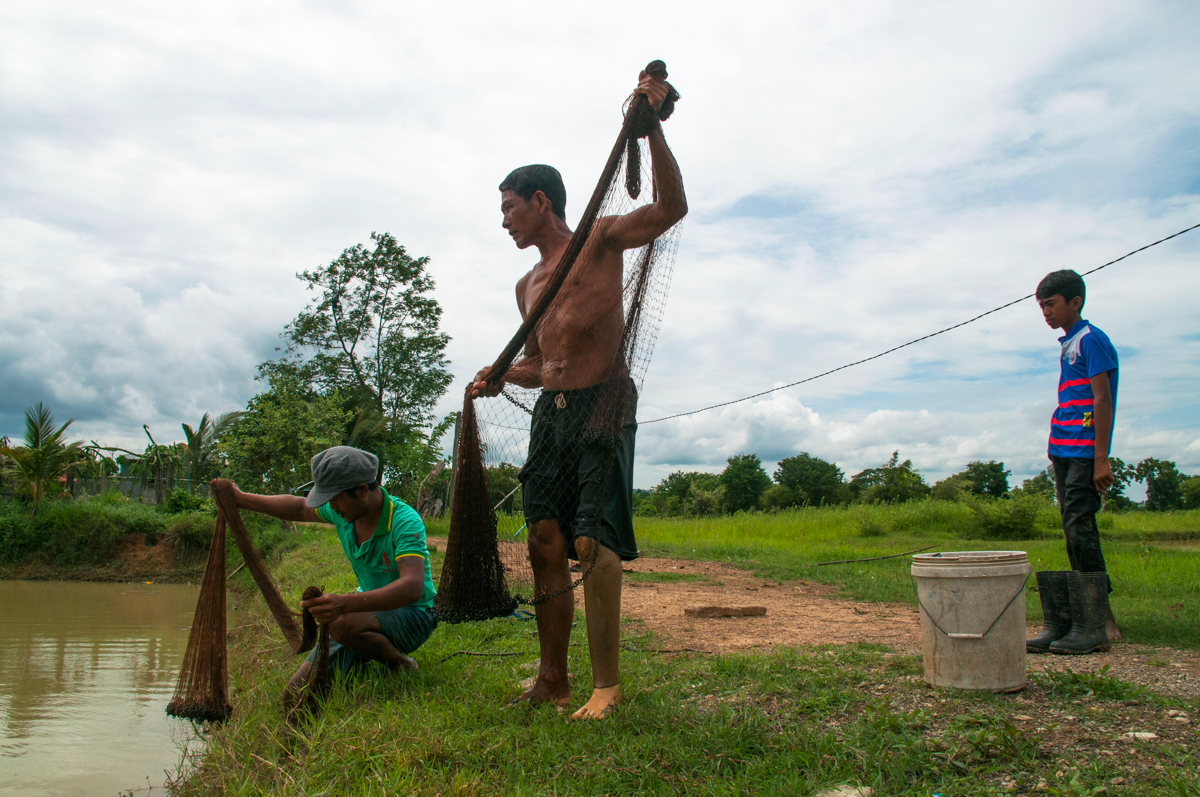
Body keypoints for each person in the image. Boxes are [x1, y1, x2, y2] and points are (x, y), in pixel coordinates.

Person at [468, 69, 687, 719]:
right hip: (552, 413)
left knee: (593, 543)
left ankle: (606, 687)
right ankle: (552, 678)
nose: (504, 221)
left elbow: (670, 209)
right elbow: (542, 365)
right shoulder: (526, 288)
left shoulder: (599, 237)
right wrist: (502, 374)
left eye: (508, 207)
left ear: (540, 201)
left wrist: (649, 134)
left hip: (603, 401)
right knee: (543, 540)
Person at [229, 445, 438, 714]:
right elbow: (296, 508)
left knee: (340, 622)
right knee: (295, 696)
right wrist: (241, 499)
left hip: (414, 616)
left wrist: (345, 604)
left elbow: (411, 587)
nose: (331, 507)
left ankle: (399, 662)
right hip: (364, 615)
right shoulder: (345, 513)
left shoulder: (404, 520)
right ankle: (363, 646)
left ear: (362, 490)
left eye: (335, 498)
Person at [1027, 269, 1121, 655]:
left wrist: (1102, 459)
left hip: (1085, 451)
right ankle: (1077, 618)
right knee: (1071, 527)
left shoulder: (1093, 340)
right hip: (1064, 449)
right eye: (1042, 306)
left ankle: (1101, 619)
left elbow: (1103, 399)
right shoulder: (1068, 344)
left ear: (1075, 302)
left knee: (1081, 526)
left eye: (1050, 304)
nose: (1045, 313)